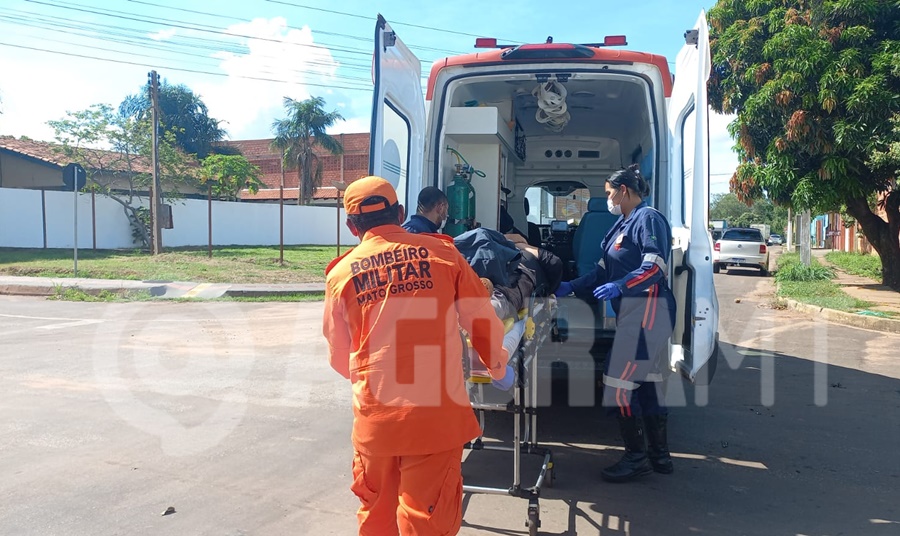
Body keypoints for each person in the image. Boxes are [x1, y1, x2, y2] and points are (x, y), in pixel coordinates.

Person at [323, 176, 516, 535]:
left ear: (351, 227)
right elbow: (481, 322)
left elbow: (339, 356)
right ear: (399, 213)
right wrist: (498, 367)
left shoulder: (340, 275)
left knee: (377, 516)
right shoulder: (444, 254)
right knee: (426, 520)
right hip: (434, 418)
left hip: (375, 422)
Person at [554, 164, 677, 483]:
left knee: (617, 383)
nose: (607, 199)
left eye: (609, 193)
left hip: (649, 308)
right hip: (632, 311)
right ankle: (659, 456)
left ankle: (636, 457)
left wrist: (621, 285)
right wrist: (572, 286)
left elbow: (656, 267)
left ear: (624, 191)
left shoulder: (648, 218)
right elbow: (600, 271)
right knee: (647, 382)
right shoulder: (618, 225)